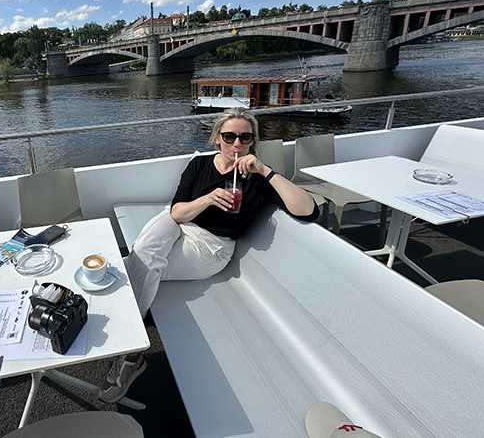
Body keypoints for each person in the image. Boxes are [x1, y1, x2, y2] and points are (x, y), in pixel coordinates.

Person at [98, 108, 319, 403]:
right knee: (147, 250)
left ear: (253, 141)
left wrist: (266, 171)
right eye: (229, 136)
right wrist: (207, 198)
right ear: (217, 139)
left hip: (210, 247)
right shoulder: (199, 166)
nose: (237, 144)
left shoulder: (257, 180)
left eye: (245, 137)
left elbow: (308, 210)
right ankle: (132, 348)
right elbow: (177, 212)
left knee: (143, 264)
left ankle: (131, 351)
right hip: (181, 223)